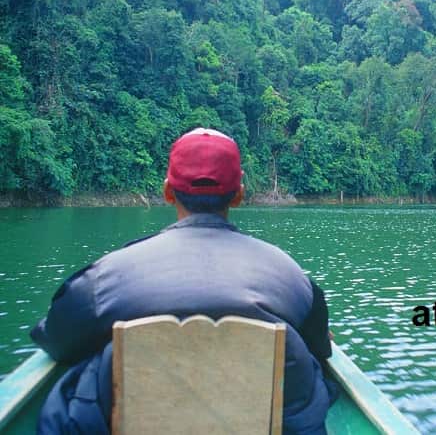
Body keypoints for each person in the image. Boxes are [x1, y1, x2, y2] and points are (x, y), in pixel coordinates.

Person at [30, 128, 335, 434]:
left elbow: (56, 340)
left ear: (167, 191)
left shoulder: (107, 276)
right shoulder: (290, 274)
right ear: (239, 194)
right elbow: (320, 347)